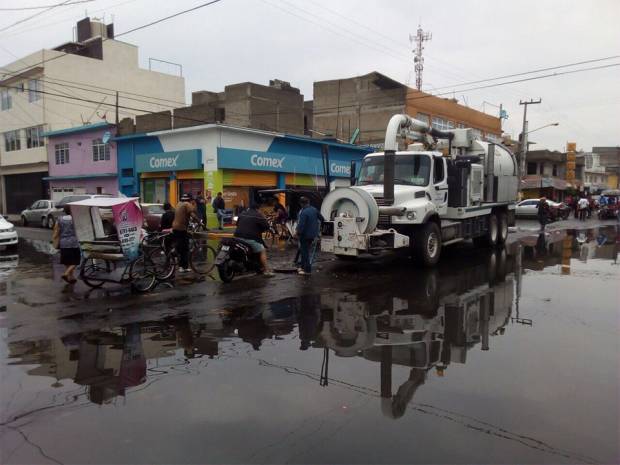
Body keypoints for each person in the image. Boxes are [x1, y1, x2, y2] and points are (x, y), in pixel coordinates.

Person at [234, 202, 273, 275]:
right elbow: (267, 226)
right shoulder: (258, 215)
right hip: (249, 238)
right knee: (262, 250)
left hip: (237, 237)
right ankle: (267, 270)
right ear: (257, 209)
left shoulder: (242, 213)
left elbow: (237, 224)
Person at [295, 196, 324, 275]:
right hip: (313, 234)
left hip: (305, 235)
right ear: (308, 202)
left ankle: (307, 270)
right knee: (305, 250)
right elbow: (322, 218)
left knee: (304, 252)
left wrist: (297, 233)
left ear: (301, 204)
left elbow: (301, 225)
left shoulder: (303, 212)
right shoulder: (314, 209)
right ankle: (302, 267)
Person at [172, 193, 198, 273]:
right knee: (185, 249)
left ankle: (175, 251)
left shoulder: (179, 203)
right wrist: (200, 223)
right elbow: (193, 213)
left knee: (180, 247)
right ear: (189, 199)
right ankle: (183, 267)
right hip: (181, 228)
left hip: (175, 227)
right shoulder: (187, 204)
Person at [56, 205, 81, 284]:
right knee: (76, 261)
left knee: (67, 261)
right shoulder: (75, 219)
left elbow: (57, 231)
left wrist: (55, 240)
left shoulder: (60, 219)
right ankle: (66, 274)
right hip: (73, 242)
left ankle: (71, 278)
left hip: (63, 243)